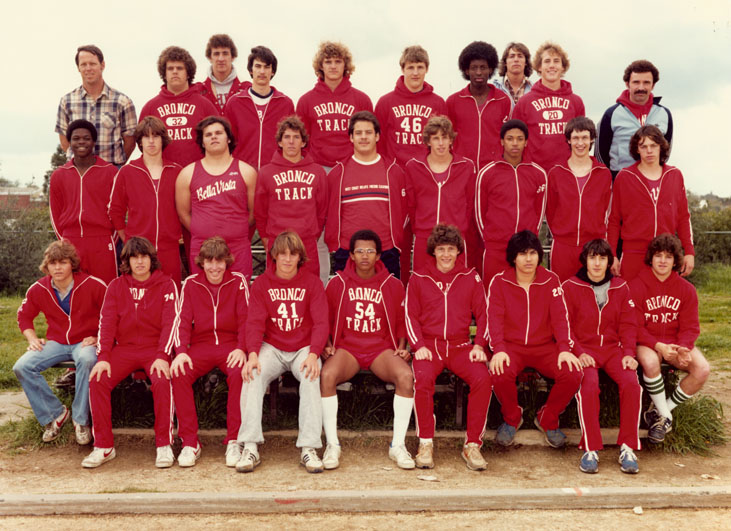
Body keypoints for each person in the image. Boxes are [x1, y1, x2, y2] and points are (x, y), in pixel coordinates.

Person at [321, 230, 414, 470]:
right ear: (350, 255)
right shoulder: (337, 283)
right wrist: (326, 345)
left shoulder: (391, 284)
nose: (365, 256)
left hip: (380, 348)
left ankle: (398, 445)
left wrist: (403, 347)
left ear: (379, 255)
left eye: (370, 251)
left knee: (405, 377)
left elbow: (402, 321)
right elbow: (325, 319)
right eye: (359, 251)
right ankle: (332, 444)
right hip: (348, 348)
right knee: (327, 375)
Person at [236, 231, 327, 474]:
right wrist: (252, 353)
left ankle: (309, 447)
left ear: (300, 257)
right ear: (273, 256)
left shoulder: (312, 283)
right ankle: (250, 445)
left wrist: (314, 353)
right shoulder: (262, 284)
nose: (287, 259)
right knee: (253, 374)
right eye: (282, 254)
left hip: (303, 347)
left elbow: (321, 323)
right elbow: (254, 322)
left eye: (293, 254)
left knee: (310, 376)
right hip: (272, 346)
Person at [82, 237, 177, 468]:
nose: (140, 262)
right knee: (98, 379)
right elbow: (107, 324)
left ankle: (164, 443)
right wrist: (103, 358)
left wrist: (163, 356)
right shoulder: (116, 286)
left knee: (162, 379)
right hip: (124, 348)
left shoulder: (166, 284)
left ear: (151, 259)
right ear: (126, 261)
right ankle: (104, 446)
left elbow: (171, 322)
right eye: (134, 257)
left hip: (155, 349)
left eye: (144, 257)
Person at [406, 224, 491, 471]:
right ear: (433, 251)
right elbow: (410, 315)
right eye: (441, 249)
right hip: (429, 346)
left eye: (451, 249)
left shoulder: (470, 277)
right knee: (421, 379)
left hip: (460, 345)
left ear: (458, 252)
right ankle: (425, 443)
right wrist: (418, 345)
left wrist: (480, 345)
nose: (446, 254)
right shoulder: (419, 277)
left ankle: (472, 444)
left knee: (482, 379)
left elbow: (484, 314)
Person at [488, 230, 582, 449]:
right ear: (513, 257)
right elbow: (495, 319)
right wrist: (499, 348)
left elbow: (561, 319)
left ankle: (547, 418)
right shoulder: (499, 282)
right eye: (522, 254)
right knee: (499, 370)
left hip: (544, 347)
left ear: (539, 255)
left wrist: (564, 349)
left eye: (532, 253)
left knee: (573, 372)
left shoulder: (551, 280)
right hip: (512, 347)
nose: (528, 259)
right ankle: (512, 418)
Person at [14, 241, 106, 446]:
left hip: (85, 342)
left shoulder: (93, 285)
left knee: (87, 360)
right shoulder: (39, 288)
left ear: (72, 264)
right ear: (46, 266)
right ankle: (55, 414)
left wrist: (100, 337)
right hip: (56, 342)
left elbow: (112, 315)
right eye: (52, 263)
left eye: (62, 262)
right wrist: (32, 338)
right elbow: (24, 316)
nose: (57, 268)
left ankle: (80, 421)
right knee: (22, 366)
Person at [562, 239, 642, 474]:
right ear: (585, 260)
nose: (597, 263)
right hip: (584, 349)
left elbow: (628, 324)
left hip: (612, 349)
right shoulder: (570, 286)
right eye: (592, 257)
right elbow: (564, 327)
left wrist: (628, 353)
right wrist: (578, 352)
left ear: (609, 262)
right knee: (589, 385)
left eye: (602, 258)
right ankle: (590, 448)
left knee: (631, 383)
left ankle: (628, 446)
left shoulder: (620, 287)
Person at [297, 41, 373, 283]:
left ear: (345, 65)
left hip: (350, 170)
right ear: (320, 65)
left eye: (337, 61)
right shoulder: (307, 100)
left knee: (351, 229)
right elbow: (302, 140)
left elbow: (369, 138)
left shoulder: (360, 99)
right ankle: (319, 287)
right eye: (328, 61)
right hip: (318, 170)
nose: (332, 66)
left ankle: (351, 285)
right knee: (316, 233)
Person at [171, 237, 249, 468]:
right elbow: (182, 321)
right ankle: (190, 441)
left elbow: (247, 320)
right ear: (201, 263)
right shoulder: (191, 283)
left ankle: (234, 439)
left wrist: (241, 348)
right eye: (209, 261)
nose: (215, 267)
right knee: (180, 372)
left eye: (219, 261)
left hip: (230, 343)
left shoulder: (238, 281)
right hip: (201, 344)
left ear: (227, 262)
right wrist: (181, 351)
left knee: (239, 373)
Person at [630, 234, 709, 444]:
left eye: (668, 256)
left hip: (676, 343)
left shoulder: (686, 289)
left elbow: (691, 326)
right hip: (648, 343)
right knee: (649, 361)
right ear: (651, 258)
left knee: (702, 369)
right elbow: (635, 327)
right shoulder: (637, 286)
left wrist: (683, 348)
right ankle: (666, 417)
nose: (663, 260)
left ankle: (660, 412)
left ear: (676, 261)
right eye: (658, 256)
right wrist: (659, 346)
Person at [325, 111, 406, 278]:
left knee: (388, 303)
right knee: (346, 303)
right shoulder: (337, 174)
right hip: (348, 252)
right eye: (358, 133)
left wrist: (394, 241)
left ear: (377, 136)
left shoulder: (394, 172)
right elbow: (328, 213)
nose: (363, 137)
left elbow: (404, 211)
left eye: (368, 132)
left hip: (386, 251)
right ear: (351, 138)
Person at [608, 125, 694, 282]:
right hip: (634, 254)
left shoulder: (674, 175)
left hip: (665, 255)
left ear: (661, 147)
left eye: (653, 145)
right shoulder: (625, 177)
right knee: (631, 303)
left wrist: (689, 251)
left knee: (662, 304)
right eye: (643, 146)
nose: (649, 151)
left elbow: (683, 218)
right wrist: (612, 254)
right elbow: (613, 220)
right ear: (637, 149)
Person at [175, 116, 257, 279]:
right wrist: (202, 229)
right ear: (202, 142)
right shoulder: (187, 173)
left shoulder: (247, 172)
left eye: (219, 133)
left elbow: (254, 212)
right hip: (202, 249)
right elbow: (183, 214)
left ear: (228, 138)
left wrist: (234, 229)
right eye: (208, 134)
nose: (213, 136)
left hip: (237, 248)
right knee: (203, 297)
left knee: (238, 297)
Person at [109, 116, 183, 284]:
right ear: (140, 141)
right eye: (146, 136)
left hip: (169, 248)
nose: (151, 141)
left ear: (162, 140)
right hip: (138, 251)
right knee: (138, 298)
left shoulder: (176, 171)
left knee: (170, 295)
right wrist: (128, 240)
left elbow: (185, 208)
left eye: (156, 136)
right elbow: (115, 210)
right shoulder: (127, 172)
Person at [475, 119, 546, 287]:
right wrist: (490, 239)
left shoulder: (538, 173)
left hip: (525, 251)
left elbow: (539, 211)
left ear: (526, 142)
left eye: (520, 139)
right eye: (510, 138)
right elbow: (479, 212)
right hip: (496, 248)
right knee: (492, 294)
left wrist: (528, 242)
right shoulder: (486, 173)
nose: (515, 143)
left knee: (523, 296)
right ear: (502, 141)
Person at [255, 116, 327, 277]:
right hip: (278, 242)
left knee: (308, 289)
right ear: (280, 142)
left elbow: (322, 210)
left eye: (296, 137)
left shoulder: (317, 171)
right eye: (287, 137)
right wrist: (267, 239)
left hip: (306, 242)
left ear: (303, 142)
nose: (291, 142)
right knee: (278, 291)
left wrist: (312, 233)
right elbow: (260, 211)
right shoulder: (266, 172)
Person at [405, 116, 478, 271]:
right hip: (424, 238)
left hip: (455, 240)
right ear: (428, 141)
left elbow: (469, 203)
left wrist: (460, 228)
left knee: (456, 288)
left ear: (451, 140)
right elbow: (411, 204)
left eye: (444, 137)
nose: (440, 143)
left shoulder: (466, 166)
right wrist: (421, 228)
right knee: (423, 285)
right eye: (435, 138)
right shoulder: (413, 166)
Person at [49, 119, 118, 284]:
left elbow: (118, 210)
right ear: (69, 142)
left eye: (86, 138)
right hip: (70, 241)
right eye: (76, 138)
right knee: (74, 292)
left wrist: (109, 239)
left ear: (93, 142)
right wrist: (64, 242)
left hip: (102, 241)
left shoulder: (110, 172)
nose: (81, 142)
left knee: (106, 291)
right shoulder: (59, 174)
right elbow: (55, 212)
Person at [546, 117, 612, 282]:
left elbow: (608, 212)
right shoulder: (556, 172)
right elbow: (550, 210)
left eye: (584, 137)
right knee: (562, 296)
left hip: (592, 248)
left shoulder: (603, 174)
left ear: (592, 139)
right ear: (568, 140)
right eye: (575, 138)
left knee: (590, 298)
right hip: (563, 247)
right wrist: (562, 234)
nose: (580, 143)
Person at [56, 45, 137, 166]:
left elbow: (130, 141)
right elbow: (64, 141)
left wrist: (114, 169)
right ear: (78, 67)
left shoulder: (122, 101)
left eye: (92, 64)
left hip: (112, 171)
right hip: (78, 172)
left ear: (102, 65)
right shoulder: (66, 101)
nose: (88, 68)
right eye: (83, 64)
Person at [139, 46, 219, 168]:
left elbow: (218, 141)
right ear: (164, 74)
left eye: (180, 68)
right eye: (170, 68)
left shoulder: (205, 105)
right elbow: (141, 143)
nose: (175, 71)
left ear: (188, 73)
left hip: (199, 173)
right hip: (163, 174)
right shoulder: (150, 107)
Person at [512, 41, 585, 171]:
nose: (552, 65)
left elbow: (581, 139)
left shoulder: (576, 102)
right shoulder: (524, 103)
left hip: (567, 172)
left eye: (556, 61)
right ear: (539, 67)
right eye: (547, 61)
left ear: (563, 67)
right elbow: (516, 140)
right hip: (534, 172)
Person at [597, 60, 673, 177]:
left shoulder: (664, 113)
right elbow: (600, 155)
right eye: (636, 82)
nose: (641, 87)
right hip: (618, 180)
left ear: (653, 85)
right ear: (627, 84)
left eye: (646, 82)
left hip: (652, 181)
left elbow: (665, 151)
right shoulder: (611, 114)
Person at [375, 45, 447, 167]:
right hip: (395, 170)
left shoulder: (438, 103)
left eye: (420, 67)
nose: (415, 73)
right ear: (403, 69)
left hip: (427, 170)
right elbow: (379, 142)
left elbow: (444, 140)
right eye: (410, 67)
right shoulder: (385, 102)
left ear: (427, 69)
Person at [225, 46, 295, 169]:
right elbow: (227, 142)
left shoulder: (286, 104)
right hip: (242, 172)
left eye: (267, 67)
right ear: (251, 70)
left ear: (272, 71)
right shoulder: (234, 103)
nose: (262, 71)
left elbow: (291, 141)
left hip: (275, 173)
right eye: (258, 66)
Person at [446, 41, 511, 169]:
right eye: (474, 68)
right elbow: (447, 137)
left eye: (483, 67)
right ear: (466, 70)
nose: (479, 72)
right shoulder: (453, 101)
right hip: (461, 169)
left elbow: (506, 137)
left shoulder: (503, 100)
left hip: (494, 169)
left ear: (491, 69)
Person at [200, 34, 245, 114]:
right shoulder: (199, 91)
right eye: (216, 54)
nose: (221, 59)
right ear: (210, 58)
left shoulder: (246, 89)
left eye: (225, 53)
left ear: (233, 57)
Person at [493, 42, 533, 107]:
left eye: (520, 56)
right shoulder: (494, 88)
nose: (516, 60)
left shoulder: (533, 89)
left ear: (526, 62)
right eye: (512, 56)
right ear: (505, 62)